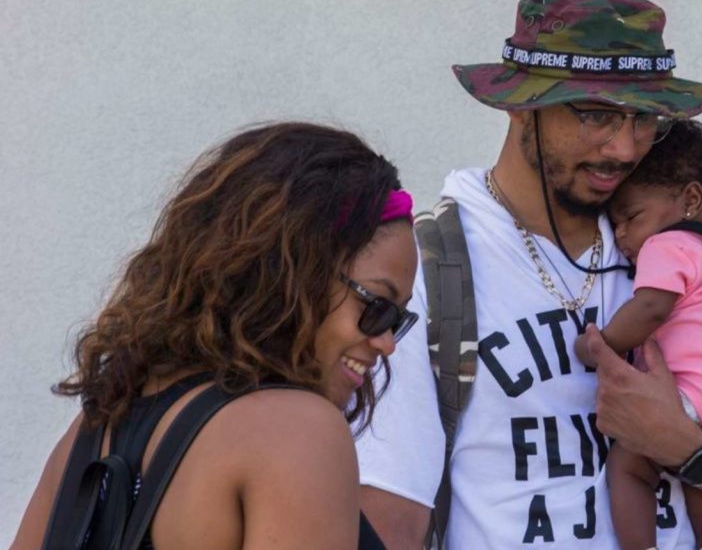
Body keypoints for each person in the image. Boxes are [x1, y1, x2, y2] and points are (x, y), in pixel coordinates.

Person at [356, 0, 702, 550]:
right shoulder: (431, 268)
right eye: (598, 115)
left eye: (644, 119)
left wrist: (687, 444)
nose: (625, 149)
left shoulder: (693, 249)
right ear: (521, 105)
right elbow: (390, 516)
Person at [12, 122, 418, 549]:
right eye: (376, 307)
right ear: (295, 273)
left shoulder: (95, 427)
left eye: (398, 320)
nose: (387, 342)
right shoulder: (296, 433)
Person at [574, 121, 702, 550]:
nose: (623, 235)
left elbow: (651, 307)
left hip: (701, 398)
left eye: (631, 217)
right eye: (615, 225)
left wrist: (600, 344)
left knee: (629, 466)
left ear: (690, 199)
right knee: (697, 473)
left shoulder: (668, 246)